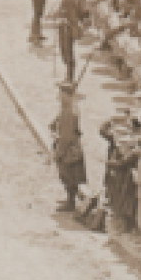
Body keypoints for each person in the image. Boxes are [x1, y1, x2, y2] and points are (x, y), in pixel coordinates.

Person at [51, 81, 88, 211]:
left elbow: (66, 136)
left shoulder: (70, 111)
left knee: (68, 175)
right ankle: (70, 199)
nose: (59, 95)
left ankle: (70, 202)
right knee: (71, 175)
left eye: (61, 93)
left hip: (69, 149)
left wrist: (58, 152)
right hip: (72, 146)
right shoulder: (69, 106)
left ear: (67, 94)